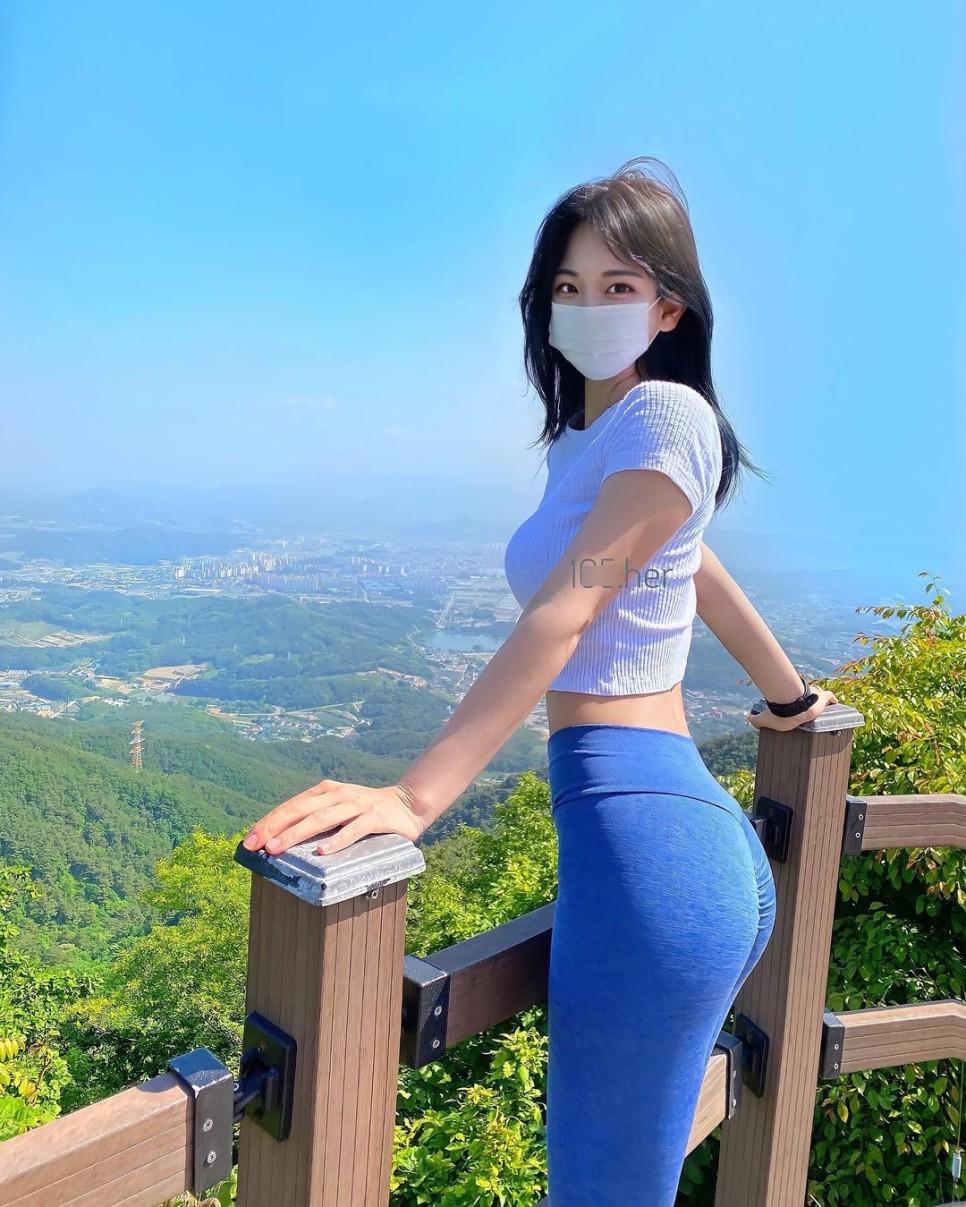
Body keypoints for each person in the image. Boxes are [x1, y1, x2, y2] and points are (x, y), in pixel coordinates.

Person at [241, 155, 838, 1205]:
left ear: (669, 306)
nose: (589, 305)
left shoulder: (667, 415)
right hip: (668, 843)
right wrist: (790, 699)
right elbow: (697, 569)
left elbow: (565, 613)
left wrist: (412, 797)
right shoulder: (589, 438)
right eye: (569, 285)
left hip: (647, 850)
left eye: (619, 285)